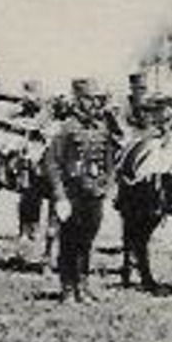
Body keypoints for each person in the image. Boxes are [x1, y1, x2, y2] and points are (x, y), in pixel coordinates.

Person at [45, 78, 117, 302]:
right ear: (78, 100)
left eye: (96, 99)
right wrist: (59, 196)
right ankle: (67, 287)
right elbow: (52, 163)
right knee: (69, 242)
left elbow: (109, 161)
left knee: (87, 241)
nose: (93, 104)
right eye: (88, 99)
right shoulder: (66, 129)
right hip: (72, 194)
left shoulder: (102, 128)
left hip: (94, 194)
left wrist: (106, 184)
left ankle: (83, 285)